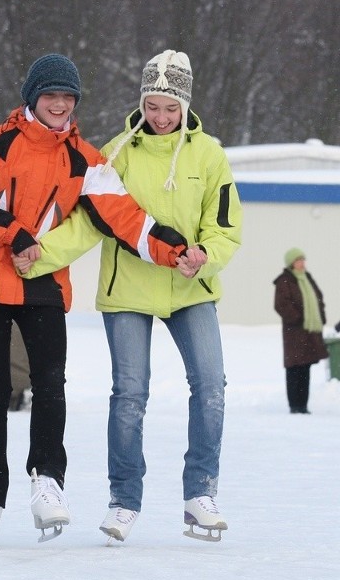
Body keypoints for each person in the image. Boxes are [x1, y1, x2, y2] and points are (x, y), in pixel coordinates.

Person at [0, 53, 190, 543]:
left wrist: (173, 248)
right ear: (32, 97)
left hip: (44, 284)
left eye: (68, 97)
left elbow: (125, 217)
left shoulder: (87, 160)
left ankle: (48, 482)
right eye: (51, 95)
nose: (60, 104)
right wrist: (12, 235)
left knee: (51, 384)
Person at [15, 50, 242, 543]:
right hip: (129, 294)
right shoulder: (115, 153)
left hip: (189, 289)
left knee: (211, 386)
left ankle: (200, 492)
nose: (160, 117)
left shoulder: (210, 155)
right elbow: (85, 224)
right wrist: (40, 253)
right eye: (153, 105)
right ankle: (123, 500)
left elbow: (225, 226)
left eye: (170, 108)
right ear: (142, 102)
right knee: (130, 395)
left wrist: (204, 254)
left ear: (185, 105)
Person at [273, 248, 327, 414]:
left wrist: (320, 315)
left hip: (309, 332)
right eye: (299, 260)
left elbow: (318, 297)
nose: (302, 263)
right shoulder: (285, 280)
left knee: (305, 367)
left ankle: (303, 405)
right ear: (291, 262)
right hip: (294, 332)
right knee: (294, 367)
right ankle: (295, 405)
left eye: (303, 259)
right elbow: (281, 304)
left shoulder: (307, 278)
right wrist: (297, 318)